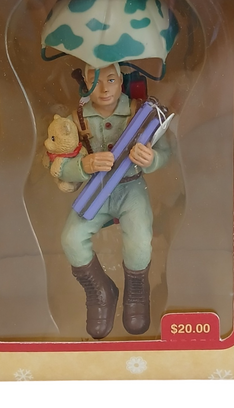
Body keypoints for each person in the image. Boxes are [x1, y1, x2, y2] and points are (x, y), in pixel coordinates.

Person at [55, 63, 170, 339]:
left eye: (110, 79)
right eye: (95, 81)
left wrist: (152, 159)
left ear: (121, 81)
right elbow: (58, 164)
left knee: (140, 241)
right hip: (96, 192)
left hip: (132, 189)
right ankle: (100, 291)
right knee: (71, 238)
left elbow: (167, 151)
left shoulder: (140, 112)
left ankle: (136, 289)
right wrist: (83, 165)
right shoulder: (75, 120)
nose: (104, 89)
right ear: (85, 84)